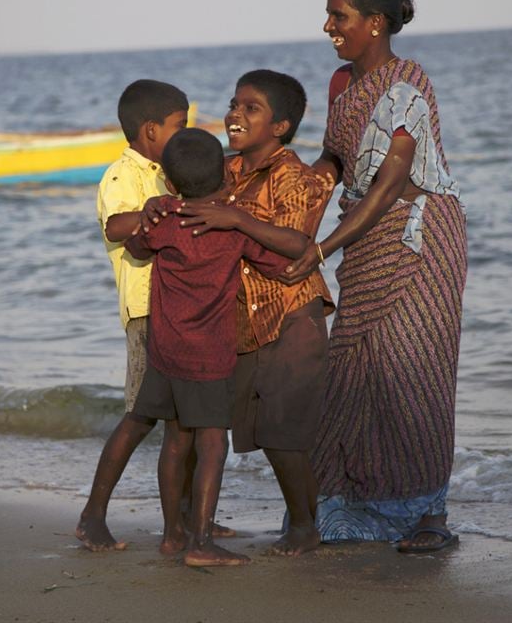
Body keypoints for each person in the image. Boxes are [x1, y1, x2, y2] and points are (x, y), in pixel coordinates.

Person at [281, 0, 467, 553]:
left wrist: (321, 248)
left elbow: (390, 183)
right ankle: (352, 503)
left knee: (413, 373)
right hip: (364, 239)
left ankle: (428, 514)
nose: (329, 26)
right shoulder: (342, 84)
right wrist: (289, 190)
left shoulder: (408, 81)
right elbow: (335, 160)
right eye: (331, 15)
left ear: (375, 22)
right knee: (356, 374)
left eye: (340, 16)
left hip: (417, 236)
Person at [172, 70, 333, 556]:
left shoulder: (293, 177)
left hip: (292, 314)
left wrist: (237, 217)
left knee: (285, 432)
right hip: (242, 323)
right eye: (233, 104)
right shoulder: (227, 170)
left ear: (280, 126)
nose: (235, 114)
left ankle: (305, 528)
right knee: (260, 429)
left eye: (250, 108)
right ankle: (291, 522)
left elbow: (296, 244)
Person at [126, 127, 296, 566]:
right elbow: (280, 263)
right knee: (213, 445)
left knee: (175, 442)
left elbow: (135, 245)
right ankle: (201, 543)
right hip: (209, 355)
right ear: (225, 174)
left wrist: (155, 210)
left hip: (166, 352)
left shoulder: (164, 220)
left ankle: (171, 536)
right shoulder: (230, 227)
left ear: (169, 181)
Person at [74, 79, 187, 552]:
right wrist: (160, 210)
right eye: (180, 127)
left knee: (187, 423)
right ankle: (92, 516)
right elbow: (118, 224)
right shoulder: (122, 175)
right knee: (140, 417)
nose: (185, 135)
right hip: (146, 313)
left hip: (183, 311)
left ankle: (184, 521)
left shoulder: (169, 171)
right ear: (150, 130)